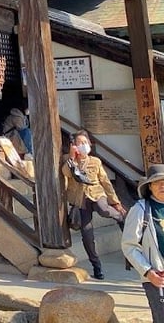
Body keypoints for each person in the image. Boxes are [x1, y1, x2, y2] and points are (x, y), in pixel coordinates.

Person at [61, 129, 126, 280]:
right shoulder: (69, 161)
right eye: (79, 143)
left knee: (104, 210)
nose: (83, 145)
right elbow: (66, 173)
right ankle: (97, 266)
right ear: (73, 146)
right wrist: (72, 157)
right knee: (87, 235)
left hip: (97, 195)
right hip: (80, 201)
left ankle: (120, 217)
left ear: (90, 144)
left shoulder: (95, 162)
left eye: (85, 142)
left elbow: (105, 182)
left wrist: (115, 202)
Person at [122, 164, 164, 322]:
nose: (162, 186)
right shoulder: (140, 209)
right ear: (150, 187)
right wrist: (148, 272)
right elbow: (129, 246)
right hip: (157, 277)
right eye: (157, 182)